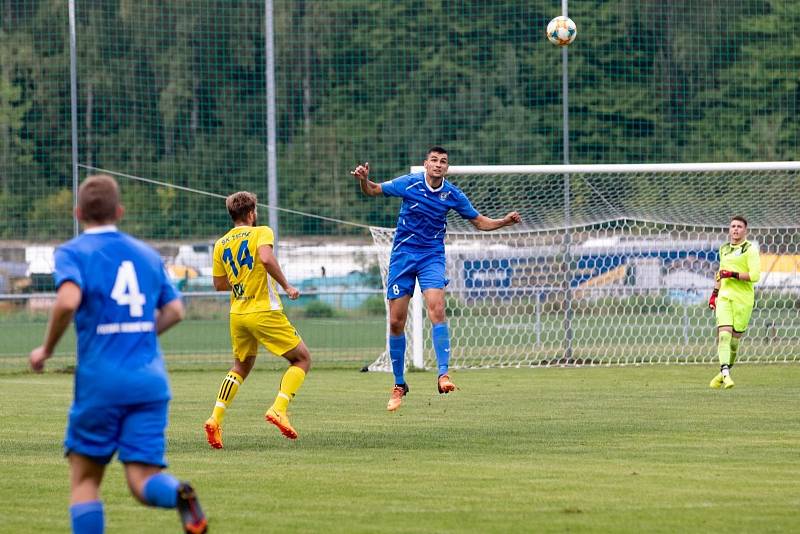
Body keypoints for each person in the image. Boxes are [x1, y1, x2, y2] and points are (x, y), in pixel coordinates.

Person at [29, 175, 207, 534]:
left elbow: (67, 300)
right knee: (143, 482)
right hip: (149, 382)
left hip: (101, 383)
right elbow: (175, 310)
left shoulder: (73, 252)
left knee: (85, 482)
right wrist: (140, 333)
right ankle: (178, 493)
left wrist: (46, 349)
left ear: (78, 212)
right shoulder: (146, 253)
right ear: (119, 211)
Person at [351, 147, 521, 411]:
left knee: (437, 309)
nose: (438, 164)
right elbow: (372, 190)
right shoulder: (410, 183)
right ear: (425, 164)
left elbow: (478, 222)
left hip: (432, 256)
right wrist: (363, 179)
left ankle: (443, 374)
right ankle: (399, 383)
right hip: (403, 256)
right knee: (396, 321)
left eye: (443, 161)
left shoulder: (452, 194)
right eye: (434, 160)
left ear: (447, 168)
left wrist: (504, 222)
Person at [204, 191, 311, 448]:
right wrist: (286, 285)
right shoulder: (261, 231)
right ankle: (278, 408)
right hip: (264, 311)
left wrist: (241, 278)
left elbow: (219, 284)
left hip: (238, 314)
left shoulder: (221, 243)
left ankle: (214, 419)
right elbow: (265, 257)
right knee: (302, 358)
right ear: (251, 213)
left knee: (240, 367)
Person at [708, 215, 761, 389]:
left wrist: (733, 274)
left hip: (743, 300)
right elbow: (720, 272)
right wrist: (714, 294)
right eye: (733, 226)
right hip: (725, 297)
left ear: (745, 230)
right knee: (723, 336)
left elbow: (754, 276)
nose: (735, 229)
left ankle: (723, 373)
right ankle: (725, 373)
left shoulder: (750, 249)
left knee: (733, 342)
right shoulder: (724, 249)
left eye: (739, 226)